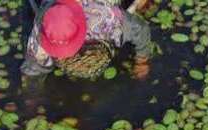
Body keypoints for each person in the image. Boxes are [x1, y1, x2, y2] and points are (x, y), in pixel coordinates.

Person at [21, 0, 152, 90]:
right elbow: (33, 69)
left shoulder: (108, 20)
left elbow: (140, 29)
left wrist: (142, 60)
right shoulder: (42, 31)